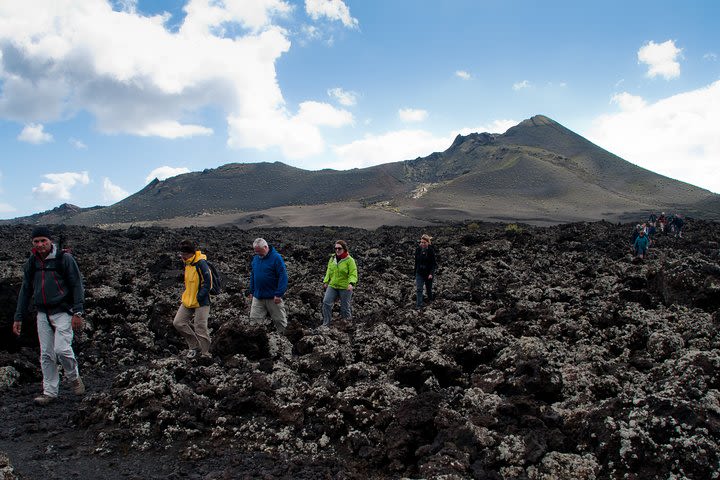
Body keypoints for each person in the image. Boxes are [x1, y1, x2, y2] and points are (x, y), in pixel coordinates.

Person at [13, 226, 85, 405]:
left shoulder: (64, 259)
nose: (40, 244)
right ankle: (50, 392)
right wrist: (18, 316)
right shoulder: (33, 262)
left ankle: (74, 377)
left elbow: (77, 285)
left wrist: (78, 312)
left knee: (61, 349)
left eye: (43, 241)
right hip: (43, 313)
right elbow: (25, 289)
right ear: (32, 243)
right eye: (36, 241)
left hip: (63, 311)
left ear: (50, 241)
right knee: (46, 354)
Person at [173, 239, 212, 358]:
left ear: (191, 253)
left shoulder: (201, 263)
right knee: (178, 323)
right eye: (181, 254)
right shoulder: (188, 263)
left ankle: (205, 353)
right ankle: (194, 346)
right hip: (188, 299)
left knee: (200, 327)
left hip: (201, 301)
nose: (182, 256)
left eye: (184, 254)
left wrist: (200, 296)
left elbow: (208, 283)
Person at [247, 238, 288, 334]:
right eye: (256, 252)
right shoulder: (256, 258)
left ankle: (284, 340)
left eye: (260, 252)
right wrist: (251, 291)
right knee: (254, 321)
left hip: (273, 297)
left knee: (280, 321)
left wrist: (279, 294)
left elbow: (283, 276)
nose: (258, 254)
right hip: (258, 296)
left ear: (266, 247)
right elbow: (253, 275)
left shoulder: (276, 258)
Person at [322, 240, 358, 326]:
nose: (337, 250)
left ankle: (348, 324)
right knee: (326, 302)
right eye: (336, 248)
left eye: (339, 248)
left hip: (345, 287)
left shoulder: (350, 260)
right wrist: (326, 281)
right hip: (333, 285)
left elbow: (353, 273)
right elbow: (329, 270)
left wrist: (351, 283)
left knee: (345, 307)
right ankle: (326, 324)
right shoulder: (332, 258)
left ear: (344, 249)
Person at [414, 234, 437, 309]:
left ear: (428, 242)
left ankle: (431, 302)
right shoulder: (418, 249)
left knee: (428, 289)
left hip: (428, 273)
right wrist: (415, 273)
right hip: (419, 272)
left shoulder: (431, 250)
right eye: (422, 242)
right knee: (419, 289)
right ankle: (418, 306)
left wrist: (431, 273)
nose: (423, 244)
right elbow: (416, 262)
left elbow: (433, 264)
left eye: (424, 242)